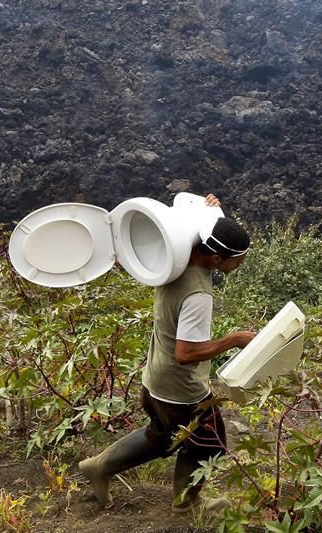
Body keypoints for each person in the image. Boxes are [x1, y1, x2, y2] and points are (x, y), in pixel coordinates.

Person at [79, 194, 256, 514]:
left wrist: (207, 209)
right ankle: (187, 502)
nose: (241, 265)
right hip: (181, 389)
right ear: (216, 259)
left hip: (155, 378)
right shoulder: (198, 293)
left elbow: (188, 227)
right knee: (208, 444)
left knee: (160, 436)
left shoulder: (176, 259)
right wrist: (234, 340)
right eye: (239, 260)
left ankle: (98, 467)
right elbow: (186, 353)